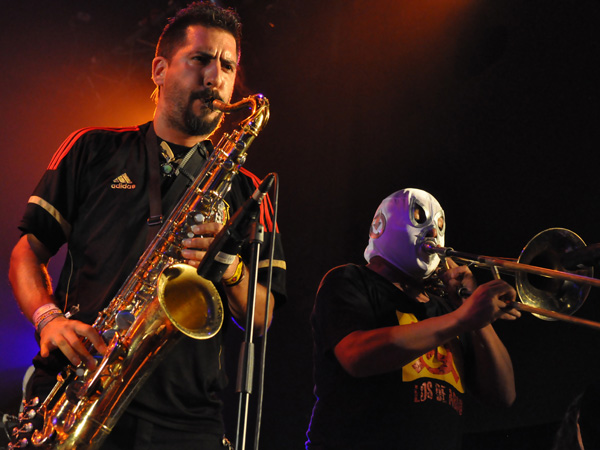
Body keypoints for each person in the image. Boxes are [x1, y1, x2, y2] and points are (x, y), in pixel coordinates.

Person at [8, 2, 286, 449]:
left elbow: (263, 317)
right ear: (159, 69)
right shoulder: (91, 148)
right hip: (77, 390)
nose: (215, 76)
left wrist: (231, 267)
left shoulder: (249, 189)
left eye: (227, 65)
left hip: (187, 418)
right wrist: (48, 320)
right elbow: (27, 251)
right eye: (200, 59)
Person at [305, 188, 518, 450]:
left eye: (439, 225)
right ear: (380, 225)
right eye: (419, 217)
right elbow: (357, 355)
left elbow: (503, 395)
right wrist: (464, 317)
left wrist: (476, 316)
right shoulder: (349, 279)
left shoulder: (448, 310)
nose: (433, 233)